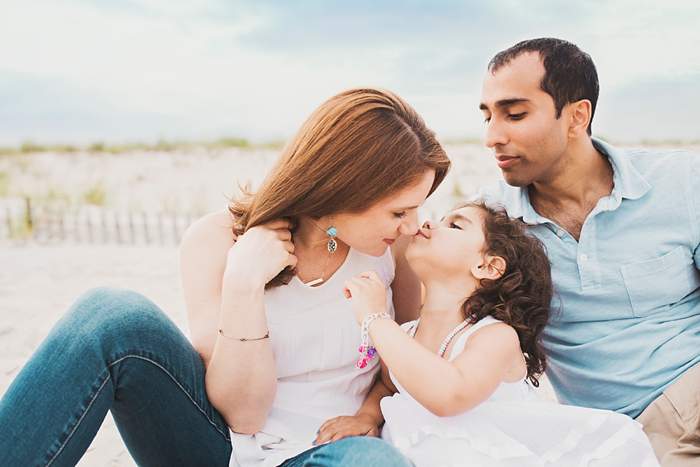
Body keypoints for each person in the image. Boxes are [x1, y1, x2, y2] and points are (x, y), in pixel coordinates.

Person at [0, 88, 450, 467]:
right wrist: (243, 284)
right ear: (343, 188)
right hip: (221, 447)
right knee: (110, 316)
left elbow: (405, 369)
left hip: (335, 451)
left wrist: (369, 414)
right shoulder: (216, 240)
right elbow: (244, 415)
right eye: (399, 211)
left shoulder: (396, 251)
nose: (412, 225)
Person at [476, 37, 700, 465]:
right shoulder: (491, 221)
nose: (492, 136)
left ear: (578, 116)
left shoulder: (683, 183)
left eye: (515, 114)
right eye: (487, 116)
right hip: (620, 435)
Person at [316, 202, 659, 466]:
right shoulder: (406, 334)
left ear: (487, 266)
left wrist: (375, 318)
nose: (427, 224)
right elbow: (391, 384)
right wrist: (366, 417)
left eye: (454, 224)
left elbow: (450, 395)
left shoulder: (494, 338)